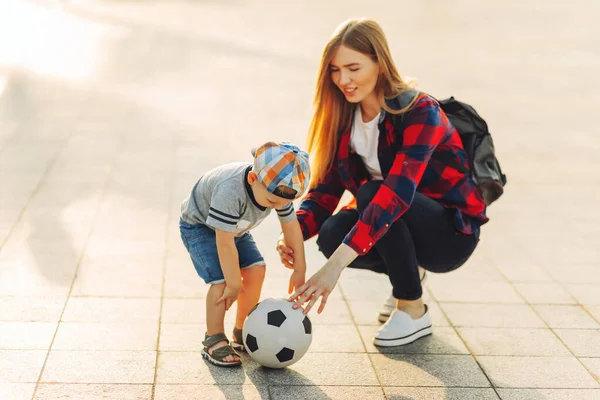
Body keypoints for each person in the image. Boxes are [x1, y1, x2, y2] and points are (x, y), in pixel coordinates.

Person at [277, 18, 489, 347]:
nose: (343, 80)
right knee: (333, 233)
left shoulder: (420, 111)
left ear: (380, 63)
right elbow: (324, 194)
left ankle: (413, 308)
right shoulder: (344, 119)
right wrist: (292, 233)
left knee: (373, 192)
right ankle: (410, 275)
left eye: (353, 68)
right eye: (334, 70)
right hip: (394, 218)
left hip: (450, 233)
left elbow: (395, 195)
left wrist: (333, 270)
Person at [180, 142, 310, 367]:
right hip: (201, 227)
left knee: (256, 269)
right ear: (252, 179)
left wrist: (300, 269)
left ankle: (242, 331)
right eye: (272, 203)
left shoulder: (278, 190)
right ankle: (214, 339)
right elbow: (224, 242)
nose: (278, 207)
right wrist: (233, 283)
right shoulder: (230, 190)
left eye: (283, 203)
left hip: (236, 228)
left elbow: (291, 226)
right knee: (222, 282)